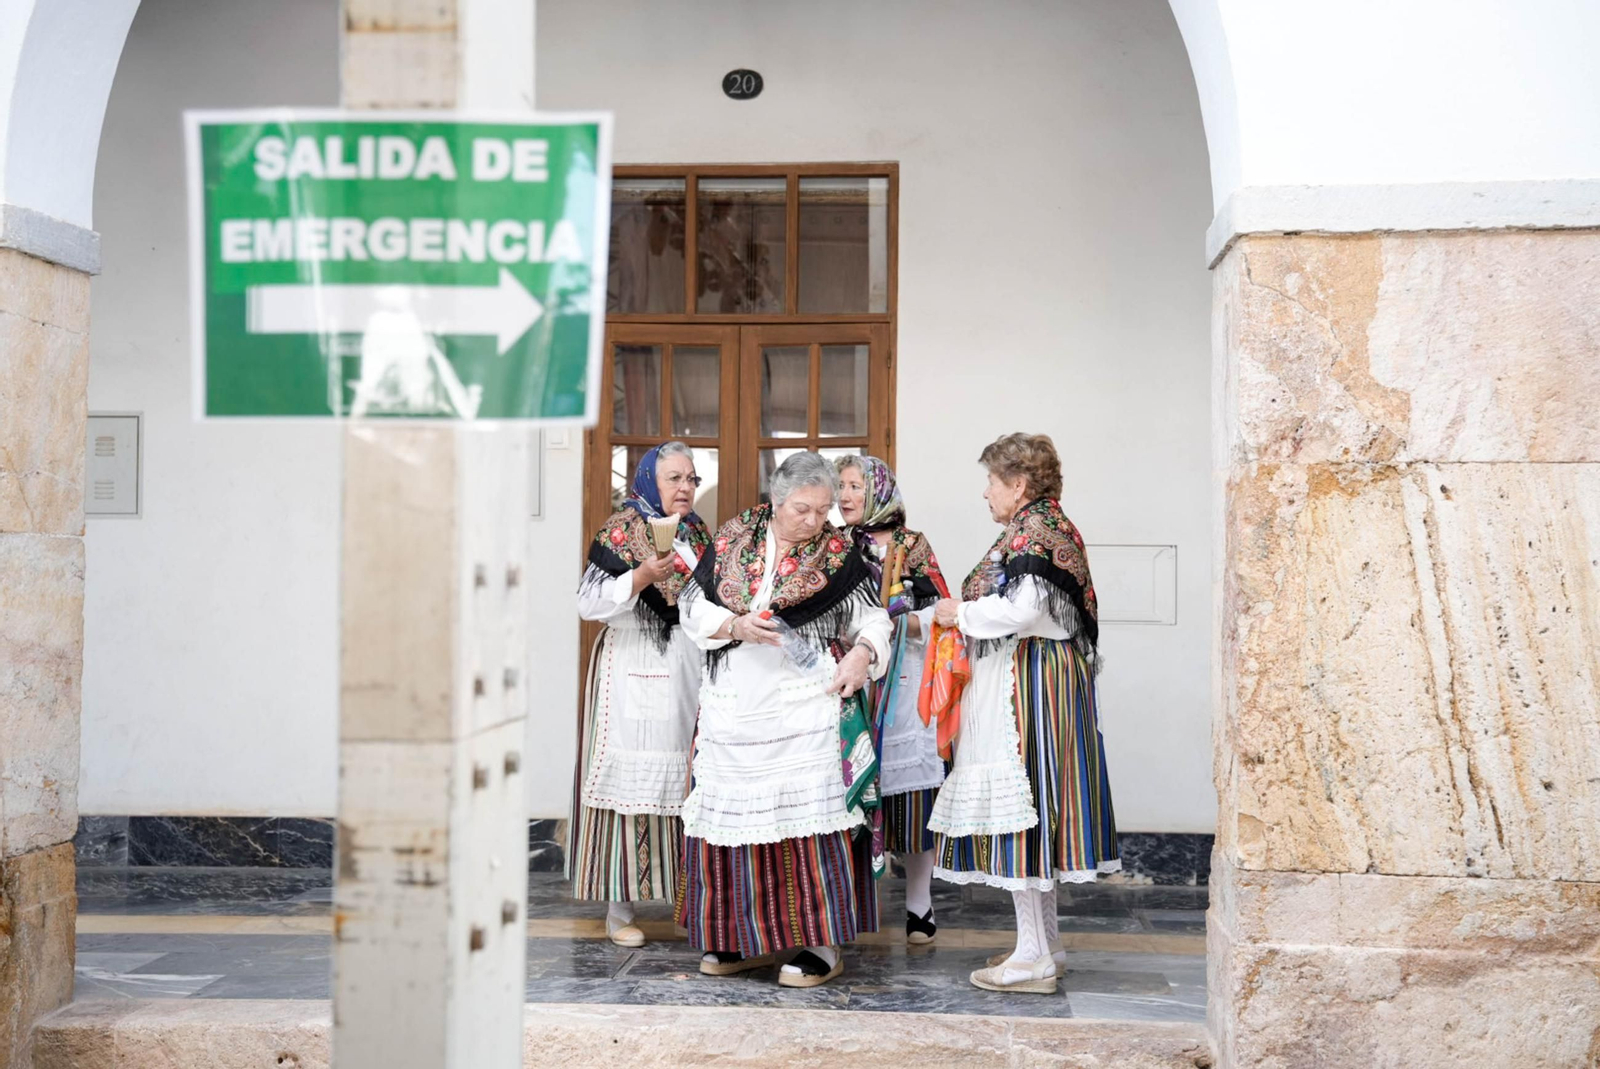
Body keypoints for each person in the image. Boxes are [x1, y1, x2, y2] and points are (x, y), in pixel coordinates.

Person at [675, 451, 892, 988]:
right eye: (803, 509)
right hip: (737, 703)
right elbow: (690, 606)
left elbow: (873, 616)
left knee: (806, 820)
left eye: (823, 510)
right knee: (734, 820)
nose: (815, 521)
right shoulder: (733, 538)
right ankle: (740, 938)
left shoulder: (840, 551)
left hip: (805, 701)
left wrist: (863, 654)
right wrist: (734, 624)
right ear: (775, 501)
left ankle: (821, 943)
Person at [926, 432, 1120, 994]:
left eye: (991, 480)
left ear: (1018, 484)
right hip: (1040, 676)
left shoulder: (1035, 529)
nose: (985, 493)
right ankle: (1046, 943)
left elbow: (1024, 608)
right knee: (1038, 804)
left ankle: (1033, 953)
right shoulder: (1042, 526)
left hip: (1030, 683)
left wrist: (958, 611)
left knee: (1025, 806)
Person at [568, 442, 710, 948]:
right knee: (627, 776)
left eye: (692, 479)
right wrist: (640, 576)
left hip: (682, 663)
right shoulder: (620, 531)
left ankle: (683, 900)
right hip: (630, 662)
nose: (686, 488)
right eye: (674, 478)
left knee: (684, 776)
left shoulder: (696, 533)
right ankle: (618, 908)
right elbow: (586, 603)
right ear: (651, 479)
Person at [835, 455, 951, 945]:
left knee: (910, 797)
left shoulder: (911, 545)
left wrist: (897, 624)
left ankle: (919, 904)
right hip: (851, 676)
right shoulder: (832, 546)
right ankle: (853, 906)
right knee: (854, 789)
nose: (844, 496)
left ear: (878, 491)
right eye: (839, 486)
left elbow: (942, 613)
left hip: (903, 682)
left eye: (855, 486)